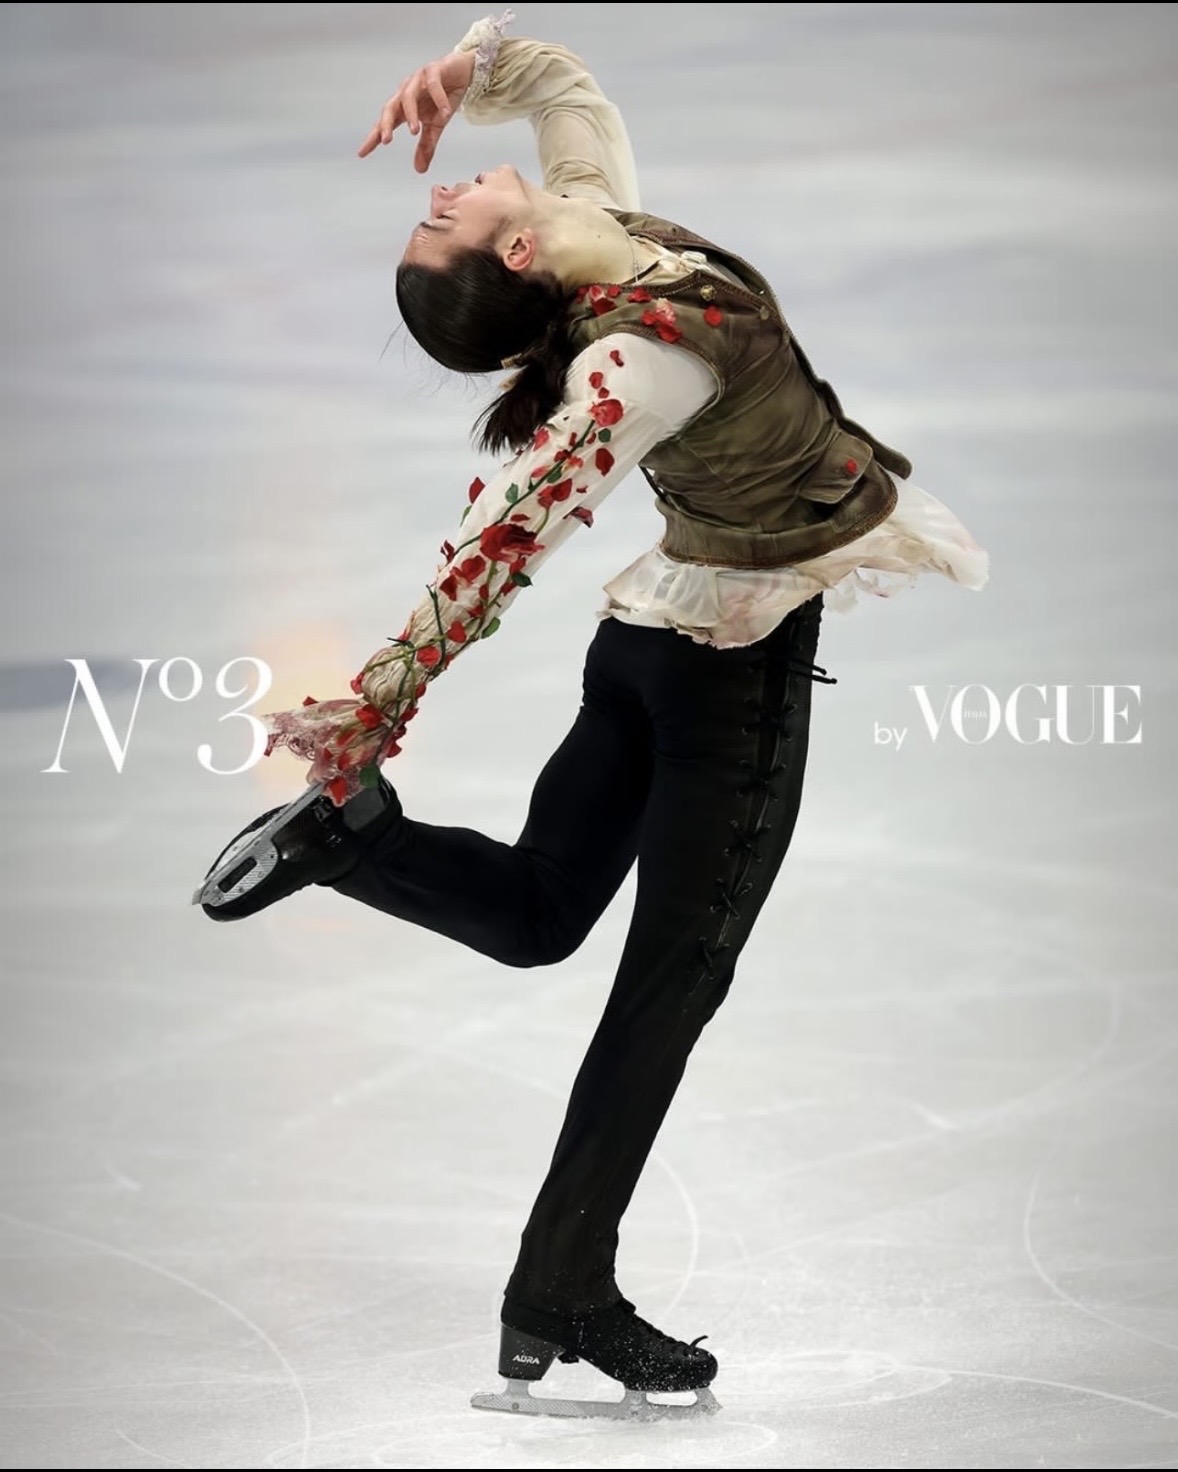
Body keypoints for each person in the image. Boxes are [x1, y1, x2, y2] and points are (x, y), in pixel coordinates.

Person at [195, 10, 988, 1412]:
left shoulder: (598, 230)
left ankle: (355, 844)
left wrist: (466, 72)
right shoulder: (635, 363)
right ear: (512, 257)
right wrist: (382, 692)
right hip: (723, 683)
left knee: (543, 911)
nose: (444, 187)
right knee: (667, 991)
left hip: (643, 652)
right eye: (438, 220)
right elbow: (509, 534)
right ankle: (562, 1286)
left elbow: (566, 94)